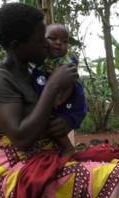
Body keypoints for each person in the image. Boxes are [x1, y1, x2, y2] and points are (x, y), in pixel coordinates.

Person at [0, 3, 119, 198]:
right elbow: (22, 139)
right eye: (40, 41)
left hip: (48, 157)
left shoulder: (34, 74)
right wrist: (53, 86)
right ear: (16, 46)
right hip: (19, 169)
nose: (47, 44)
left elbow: (53, 112)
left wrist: (64, 122)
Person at [29, 23, 88, 158]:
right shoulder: (42, 61)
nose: (58, 43)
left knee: (53, 123)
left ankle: (68, 148)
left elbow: (69, 85)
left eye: (64, 41)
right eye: (53, 38)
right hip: (52, 100)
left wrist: (59, 99)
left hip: (67, 101)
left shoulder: (65, 62)